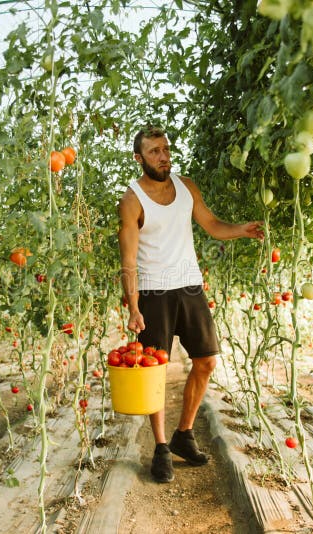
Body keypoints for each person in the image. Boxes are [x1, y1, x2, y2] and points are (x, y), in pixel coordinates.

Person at [117, 125, 264, 483]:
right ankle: (162, 447)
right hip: (152, 292)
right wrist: (134, 307)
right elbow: (128, 261)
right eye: (153, 151)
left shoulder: (187, 187)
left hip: (190, 287)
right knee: (155, 372)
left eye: (165, 149)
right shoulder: (132, 200)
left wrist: (241, 229)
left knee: (206, 361)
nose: (163, 156)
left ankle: (184, 434)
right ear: (139, 158)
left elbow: (211, 224)